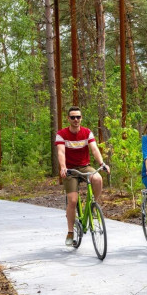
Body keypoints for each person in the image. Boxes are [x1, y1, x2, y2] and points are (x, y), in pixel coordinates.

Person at [55, 106, 110, 247]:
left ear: (81, 118)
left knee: (97, 178)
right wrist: (63, 167)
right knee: (72, 201)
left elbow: (94, 149)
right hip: (70, 170)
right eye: (72, 117)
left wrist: (102, 163)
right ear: (68, 119)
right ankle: (70, 232)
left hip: (85, 166)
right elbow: (61, 152)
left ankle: (92, 206)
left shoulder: (87, 132)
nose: (75, 120)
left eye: (78, 117)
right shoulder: (62, 134)